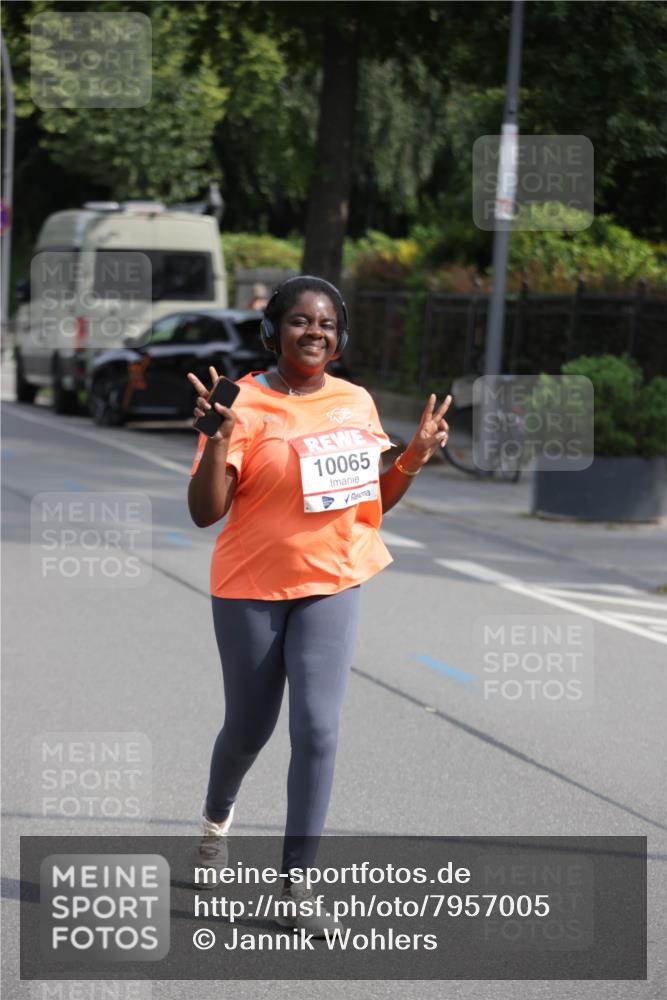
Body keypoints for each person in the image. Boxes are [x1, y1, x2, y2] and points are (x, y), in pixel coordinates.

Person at [186, 275, 450, 934]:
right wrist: (217, 439)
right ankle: (216, 819)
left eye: (327, 324)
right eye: (301, 321)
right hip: (249, 587)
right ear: (272, 333)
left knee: (318, 730)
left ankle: (296, 883)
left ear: (340, 338)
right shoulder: (239, 400)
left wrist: (414, 456)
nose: (315, 332)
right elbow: (204, 512)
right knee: (248, 729)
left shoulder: (354, 402)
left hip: (332, 580)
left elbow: (370, 502)